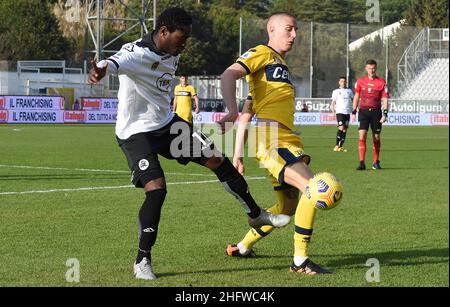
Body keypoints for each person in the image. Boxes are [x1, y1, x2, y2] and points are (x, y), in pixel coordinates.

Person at [88, 7, 290, 281]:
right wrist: (100, 71)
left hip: (168, 125)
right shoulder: (134, 53)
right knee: (157, 189)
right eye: (181, 38)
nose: (184, 45)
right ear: (163, 32)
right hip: (136, 133)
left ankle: (255, 215)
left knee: (219, 159)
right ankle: (142, 260)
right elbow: (111, 63)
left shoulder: (173, 52)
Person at [219, 12, 342, 275]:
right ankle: (300, 261)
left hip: (287, 141)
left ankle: (242, 247)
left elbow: (246, 116)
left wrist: (238, 154)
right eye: (289, 29)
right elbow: (228, 75)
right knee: (315, 189)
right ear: (272, 29)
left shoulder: (278, 66)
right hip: (272, 141)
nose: (295, 35)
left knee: (287, 209)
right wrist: (230, 109)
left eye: (296, 30)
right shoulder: (261, 52)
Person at [352, 59, 389, 170]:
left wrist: (385, 114)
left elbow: (385, 99)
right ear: (366, 69)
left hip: (376, 112)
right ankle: (362, 162)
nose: (371, 70)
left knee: (376, 137)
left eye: (373, 68)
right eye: (369, 68)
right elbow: (356, 96)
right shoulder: (360, 81)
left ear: (376, 68)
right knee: (362, 135)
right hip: (363, 111)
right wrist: (354, 111)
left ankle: (375, 161)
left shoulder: (381, 82)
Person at [330, 76, 354, 152]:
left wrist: (354, 111)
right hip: (339, 112)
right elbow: (333, 103)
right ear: (339, 82)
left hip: (347, 112)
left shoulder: (349, 91)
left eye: (344, 81)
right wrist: (333, 112)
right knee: (341, 127)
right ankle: (336, 145)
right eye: (341, 81)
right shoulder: (336, 91)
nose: (343, 83)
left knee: (345, 130)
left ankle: (341, 146)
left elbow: (354, 101)